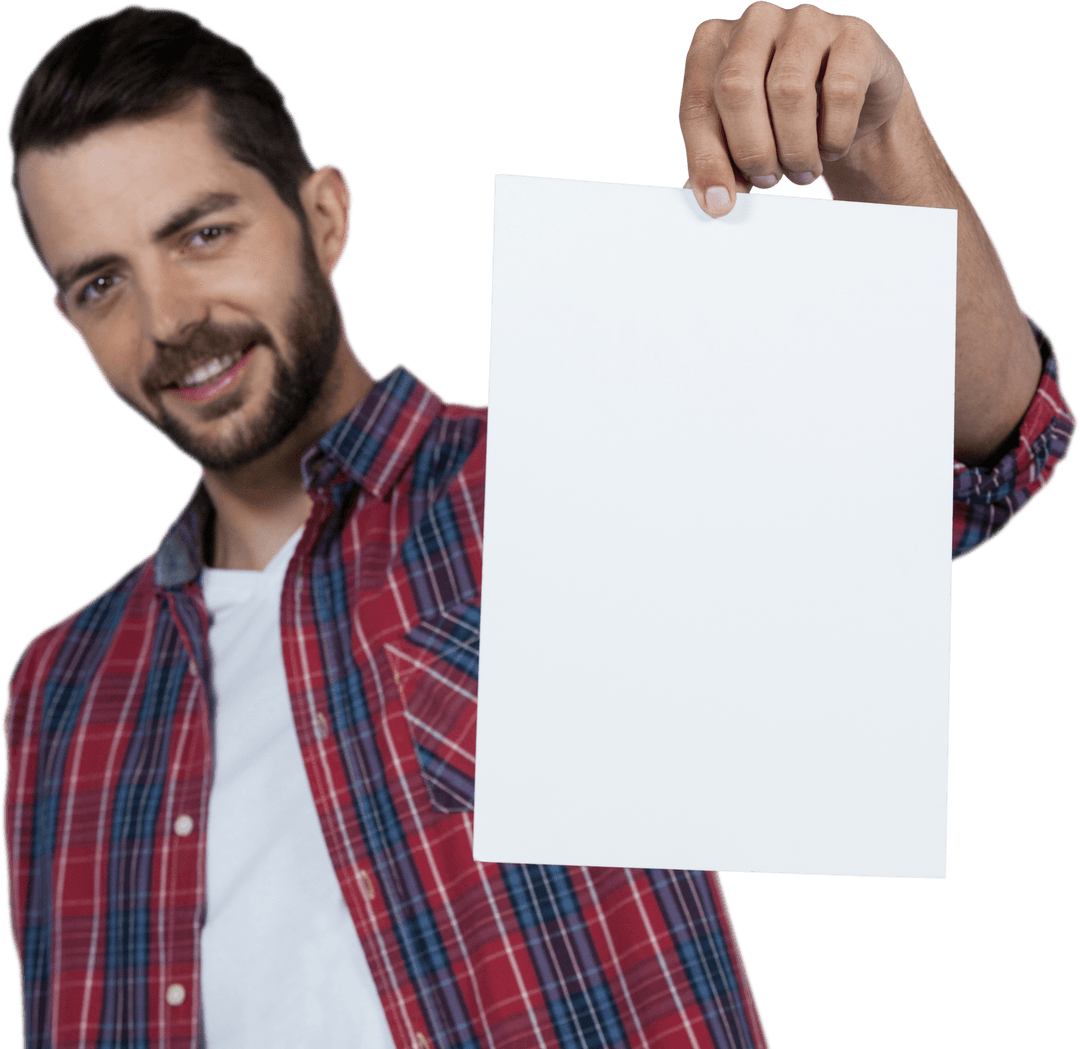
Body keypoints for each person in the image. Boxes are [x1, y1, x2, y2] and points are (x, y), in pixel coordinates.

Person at [3, 4, 1074, 1048]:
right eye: (101, 282)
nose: (167, 318)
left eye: (202, 232)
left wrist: (878, 140)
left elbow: (973, 459)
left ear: (323, 216)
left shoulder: (567, 483)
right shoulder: (55, 690)